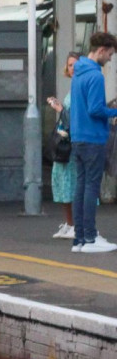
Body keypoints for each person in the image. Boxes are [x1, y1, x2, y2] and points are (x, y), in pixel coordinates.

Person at [69, 31, 117, 253]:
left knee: (80, 186)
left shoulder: (78, 72)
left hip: (78, 137)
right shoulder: (96, 76)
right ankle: (90, 237)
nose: (110, 59)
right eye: (109, 54)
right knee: (91, 187)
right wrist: (114, 111)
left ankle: (79, 239)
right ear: (101, 50)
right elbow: (96, 109)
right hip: (93, 138)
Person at [46, 52, 79, 238]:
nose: (72, 68)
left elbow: (74, 116)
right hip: (64, 139)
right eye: (70, 65)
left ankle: (76, 224)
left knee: (72, 182)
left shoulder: (80, 88)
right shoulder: (72, 87)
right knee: (62, 181)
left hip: (72, 141)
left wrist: (59, 108)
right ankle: (69, 223)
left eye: (75, 64)